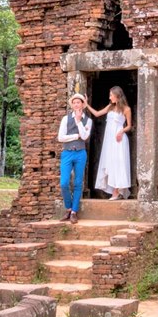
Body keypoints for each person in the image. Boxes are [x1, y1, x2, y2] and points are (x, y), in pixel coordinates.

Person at [87, 86, 132, 200]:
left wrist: (121, 131)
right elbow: (97, 114)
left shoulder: (126, 109)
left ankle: (116, 192)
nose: (109, 97)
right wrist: (86, 104)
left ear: (117, 95)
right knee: (110, 163)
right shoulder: (110, 107)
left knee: (118, 163)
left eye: (111, 95)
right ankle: (114, 190)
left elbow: (129, 126)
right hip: (109, 139)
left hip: (119, 139)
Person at [58, 93, 92, 224]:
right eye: (74, 102)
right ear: (71, 105)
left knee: (78, 183)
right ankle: (68, 207)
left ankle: (74, 212)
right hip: (67, 152)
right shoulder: (65, 119)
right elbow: (61, 138)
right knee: (64, 182)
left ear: (83, 105)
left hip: (80, 153)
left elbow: (84, 137)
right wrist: (75, 135)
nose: (77, 104)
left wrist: (78, 122)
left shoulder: (88, 120)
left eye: (79, 102)